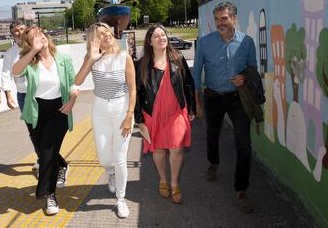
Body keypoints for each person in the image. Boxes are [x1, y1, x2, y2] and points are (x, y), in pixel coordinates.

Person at [192, 2, 257, 214]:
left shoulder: (247, 42)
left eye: (224, 18)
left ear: (234, 19)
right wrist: (197, 101)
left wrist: (244, 77)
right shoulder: (205, 42)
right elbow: (196, 73)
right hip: (212, 96)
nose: (220, 23)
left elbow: (253, 68)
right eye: (217, 19)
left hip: (238, 99)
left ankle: (241, 190)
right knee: (212, 134)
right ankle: (213, 163)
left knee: (244, 144)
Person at [12, 26, 78, 215]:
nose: (40, 37)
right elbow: (16, 72)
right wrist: (33, 50)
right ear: (29, 43)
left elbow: (74, 84)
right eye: (34, 37)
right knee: (43, 150)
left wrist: (72, 101)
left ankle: (49, 194)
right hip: (36, 111)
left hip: (60, 109)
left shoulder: (63, 59)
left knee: (47, 151)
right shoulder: (29, 62)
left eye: (41, 34)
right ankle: (62, 166)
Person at [75, 22, 136, 218]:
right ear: (94, 40)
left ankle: (121, 198)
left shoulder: (124, 57)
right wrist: (91, 59)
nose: (107, 36)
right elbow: (77, 81)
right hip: (100, 111)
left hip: (121, 110)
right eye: (101, 34)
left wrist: (129, 115)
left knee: (120, 159)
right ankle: (111, 173)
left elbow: (133, 89)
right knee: (104, 158)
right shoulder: (92, 58)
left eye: (107, 32)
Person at [134, 24, 196, 204]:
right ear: (149, 41)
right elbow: (137, 93)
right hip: (153, 113)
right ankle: (163, 179)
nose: (161, 38)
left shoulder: (177, 58)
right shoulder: (142, 64)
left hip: (177, 112)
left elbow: (188, 83)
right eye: (156, 36)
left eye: (163, 35)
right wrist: (139, 119)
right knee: (159, 149)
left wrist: (191, 108)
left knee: (176, 148)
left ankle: (175, 183)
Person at [1, 21, 44, 180]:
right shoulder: (10, 53)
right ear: (12, 34)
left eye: (21, 29)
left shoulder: (38, 47)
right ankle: (42, 158)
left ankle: (48, 158)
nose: (19, 33)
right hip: (23, 96)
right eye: (15, 31)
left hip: (41, 93)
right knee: (33, 129)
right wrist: (8, 94)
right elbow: (6, 74)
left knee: (44, 127)